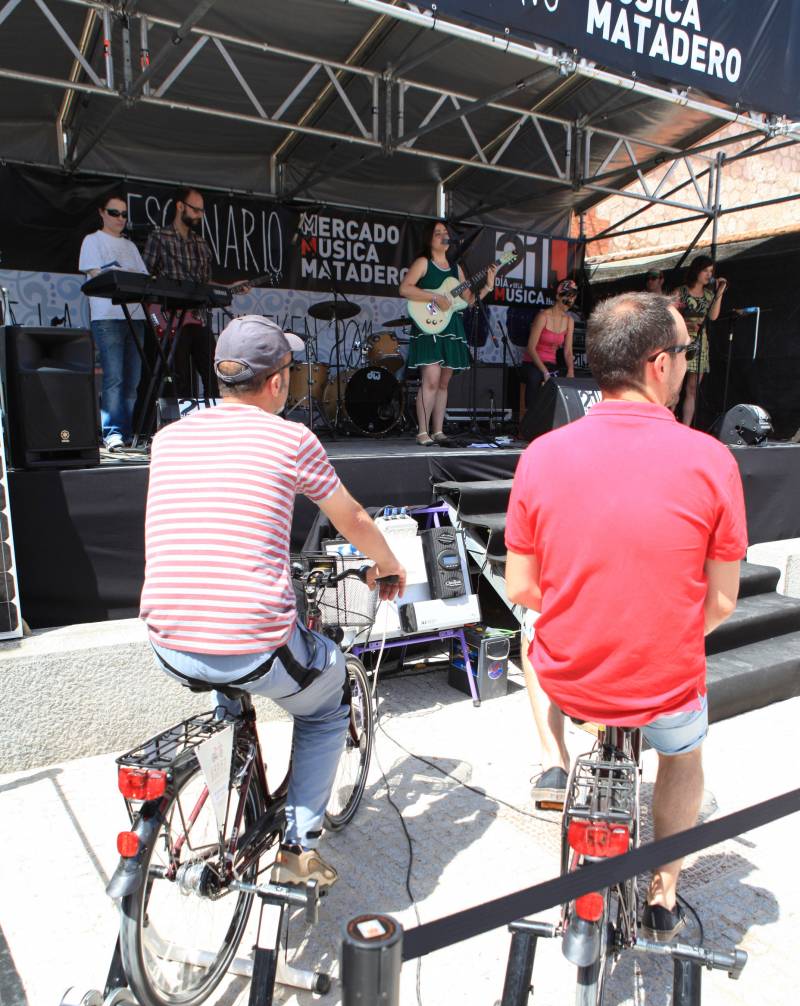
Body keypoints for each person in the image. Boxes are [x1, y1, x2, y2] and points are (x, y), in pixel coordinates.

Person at [505, 291, 747, 941]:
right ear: (659, 364)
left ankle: (554, 757)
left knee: (531, 639)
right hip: (663, 678)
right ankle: (664, 891)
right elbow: (721, 601)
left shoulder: (541, 457)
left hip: (573, 677)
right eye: (686, 353)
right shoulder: (712, 460)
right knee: (684, 756)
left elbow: (522, 585)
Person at [140, 315, 406, 889]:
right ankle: (297, 848)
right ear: (279, 382)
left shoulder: (169, 437)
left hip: (166, 641)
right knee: (327, 700)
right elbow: (352, 517)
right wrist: (389, 565)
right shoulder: (290, 438)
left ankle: (230, 760)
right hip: (251, 642)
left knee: (230, 683)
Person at [143, 186, 249, 402]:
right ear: (180, 206)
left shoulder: (200, 244)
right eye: (195, 210)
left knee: (214, 374)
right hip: (171, 319)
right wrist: (159, 314)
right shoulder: (160, 237)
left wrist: (231, 286)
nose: (200, 215)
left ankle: (216, 423)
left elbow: (205, 283)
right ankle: (181, 426)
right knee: (177, 377)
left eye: (202, 211)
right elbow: (146, 280)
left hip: (198, 319)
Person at [400, 221, 496, 446]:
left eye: (446, 233)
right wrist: (435, 297)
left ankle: (438, 430)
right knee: (430, 380)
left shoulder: (456, 269)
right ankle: (422, 431)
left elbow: (469, 300)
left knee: (444, 382)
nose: (443, 236)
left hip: (451, 327)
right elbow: (405, 288)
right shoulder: (424, 263)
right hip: (429, 325)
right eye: (438, 233)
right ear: (429, 239)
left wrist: (488, 286)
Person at [79, 190, 148, 450]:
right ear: (101, 213)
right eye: (114, 213)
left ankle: (127, 432)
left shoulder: (130, 246)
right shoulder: (92, 240)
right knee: (115, 378)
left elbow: (143, 277)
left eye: (124, 214)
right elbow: (97, 275)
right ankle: (112, 433)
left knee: (133, 379)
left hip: (135, 316)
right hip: (107, 317)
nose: (120, 218)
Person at [676, 255, 727, 427]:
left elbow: (713, 316)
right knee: (674, 388)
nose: (708, 274)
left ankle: (686, 427)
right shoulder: (681, 292)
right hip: (681, 342)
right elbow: (669, 316)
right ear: (696, 270)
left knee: (692, 389)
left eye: (711, 271)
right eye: (705, 270)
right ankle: (668, 424)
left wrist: (719, 293)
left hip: (700, 344)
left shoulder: (708, 294)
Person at [518, 279, 576, 412]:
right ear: (558, 296)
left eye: (573, 297)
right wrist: (544, 371)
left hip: (551, 363)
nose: (570, 300)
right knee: (535, 377)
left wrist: (571, 370)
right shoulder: (543, 316)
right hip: (532, 363)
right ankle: (530, 416)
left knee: (565, 379)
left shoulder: (569, 321)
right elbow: (531, 348)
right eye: (567, 296)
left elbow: (568, 351)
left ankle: (557, 418)